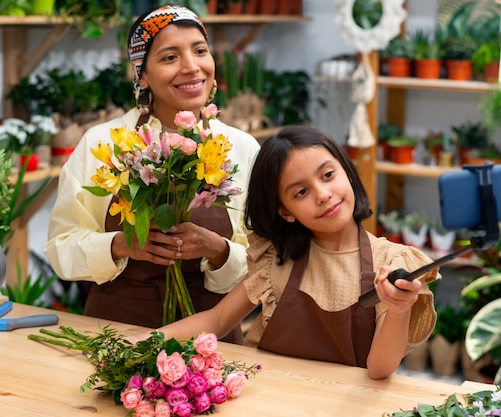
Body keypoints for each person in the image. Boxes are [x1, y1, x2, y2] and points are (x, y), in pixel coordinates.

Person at [128, 126, 439, 379]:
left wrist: (398, 309)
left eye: (328, 175)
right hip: (269, 398)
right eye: (301, 192)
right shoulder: (277, 259)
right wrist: (144, 342)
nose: (323, 194)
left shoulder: (392, 262)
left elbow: (380, 369)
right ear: (285, 212)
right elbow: (219, 319)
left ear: (345, 170)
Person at [44, 5, 260, 344]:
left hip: (211, 335)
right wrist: (119, 245)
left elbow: (266, 258)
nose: (191, 66)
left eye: (200, 51)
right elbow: (61, 247)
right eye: (170, 57)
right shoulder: (103, 143)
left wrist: (218, 250)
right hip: (118, 332)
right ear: (141, 75)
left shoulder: (240, 148)